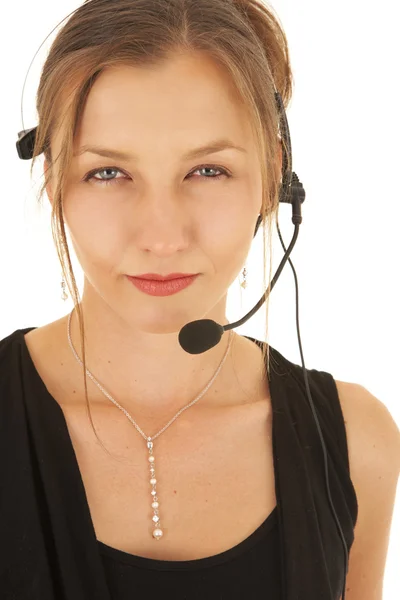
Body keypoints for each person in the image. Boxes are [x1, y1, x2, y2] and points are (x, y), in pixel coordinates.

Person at [1, 1, 399, 599]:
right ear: (55, 181)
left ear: (273, 179)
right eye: (108, 173)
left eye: (208, 171)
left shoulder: (355, 442)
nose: (162, 236)